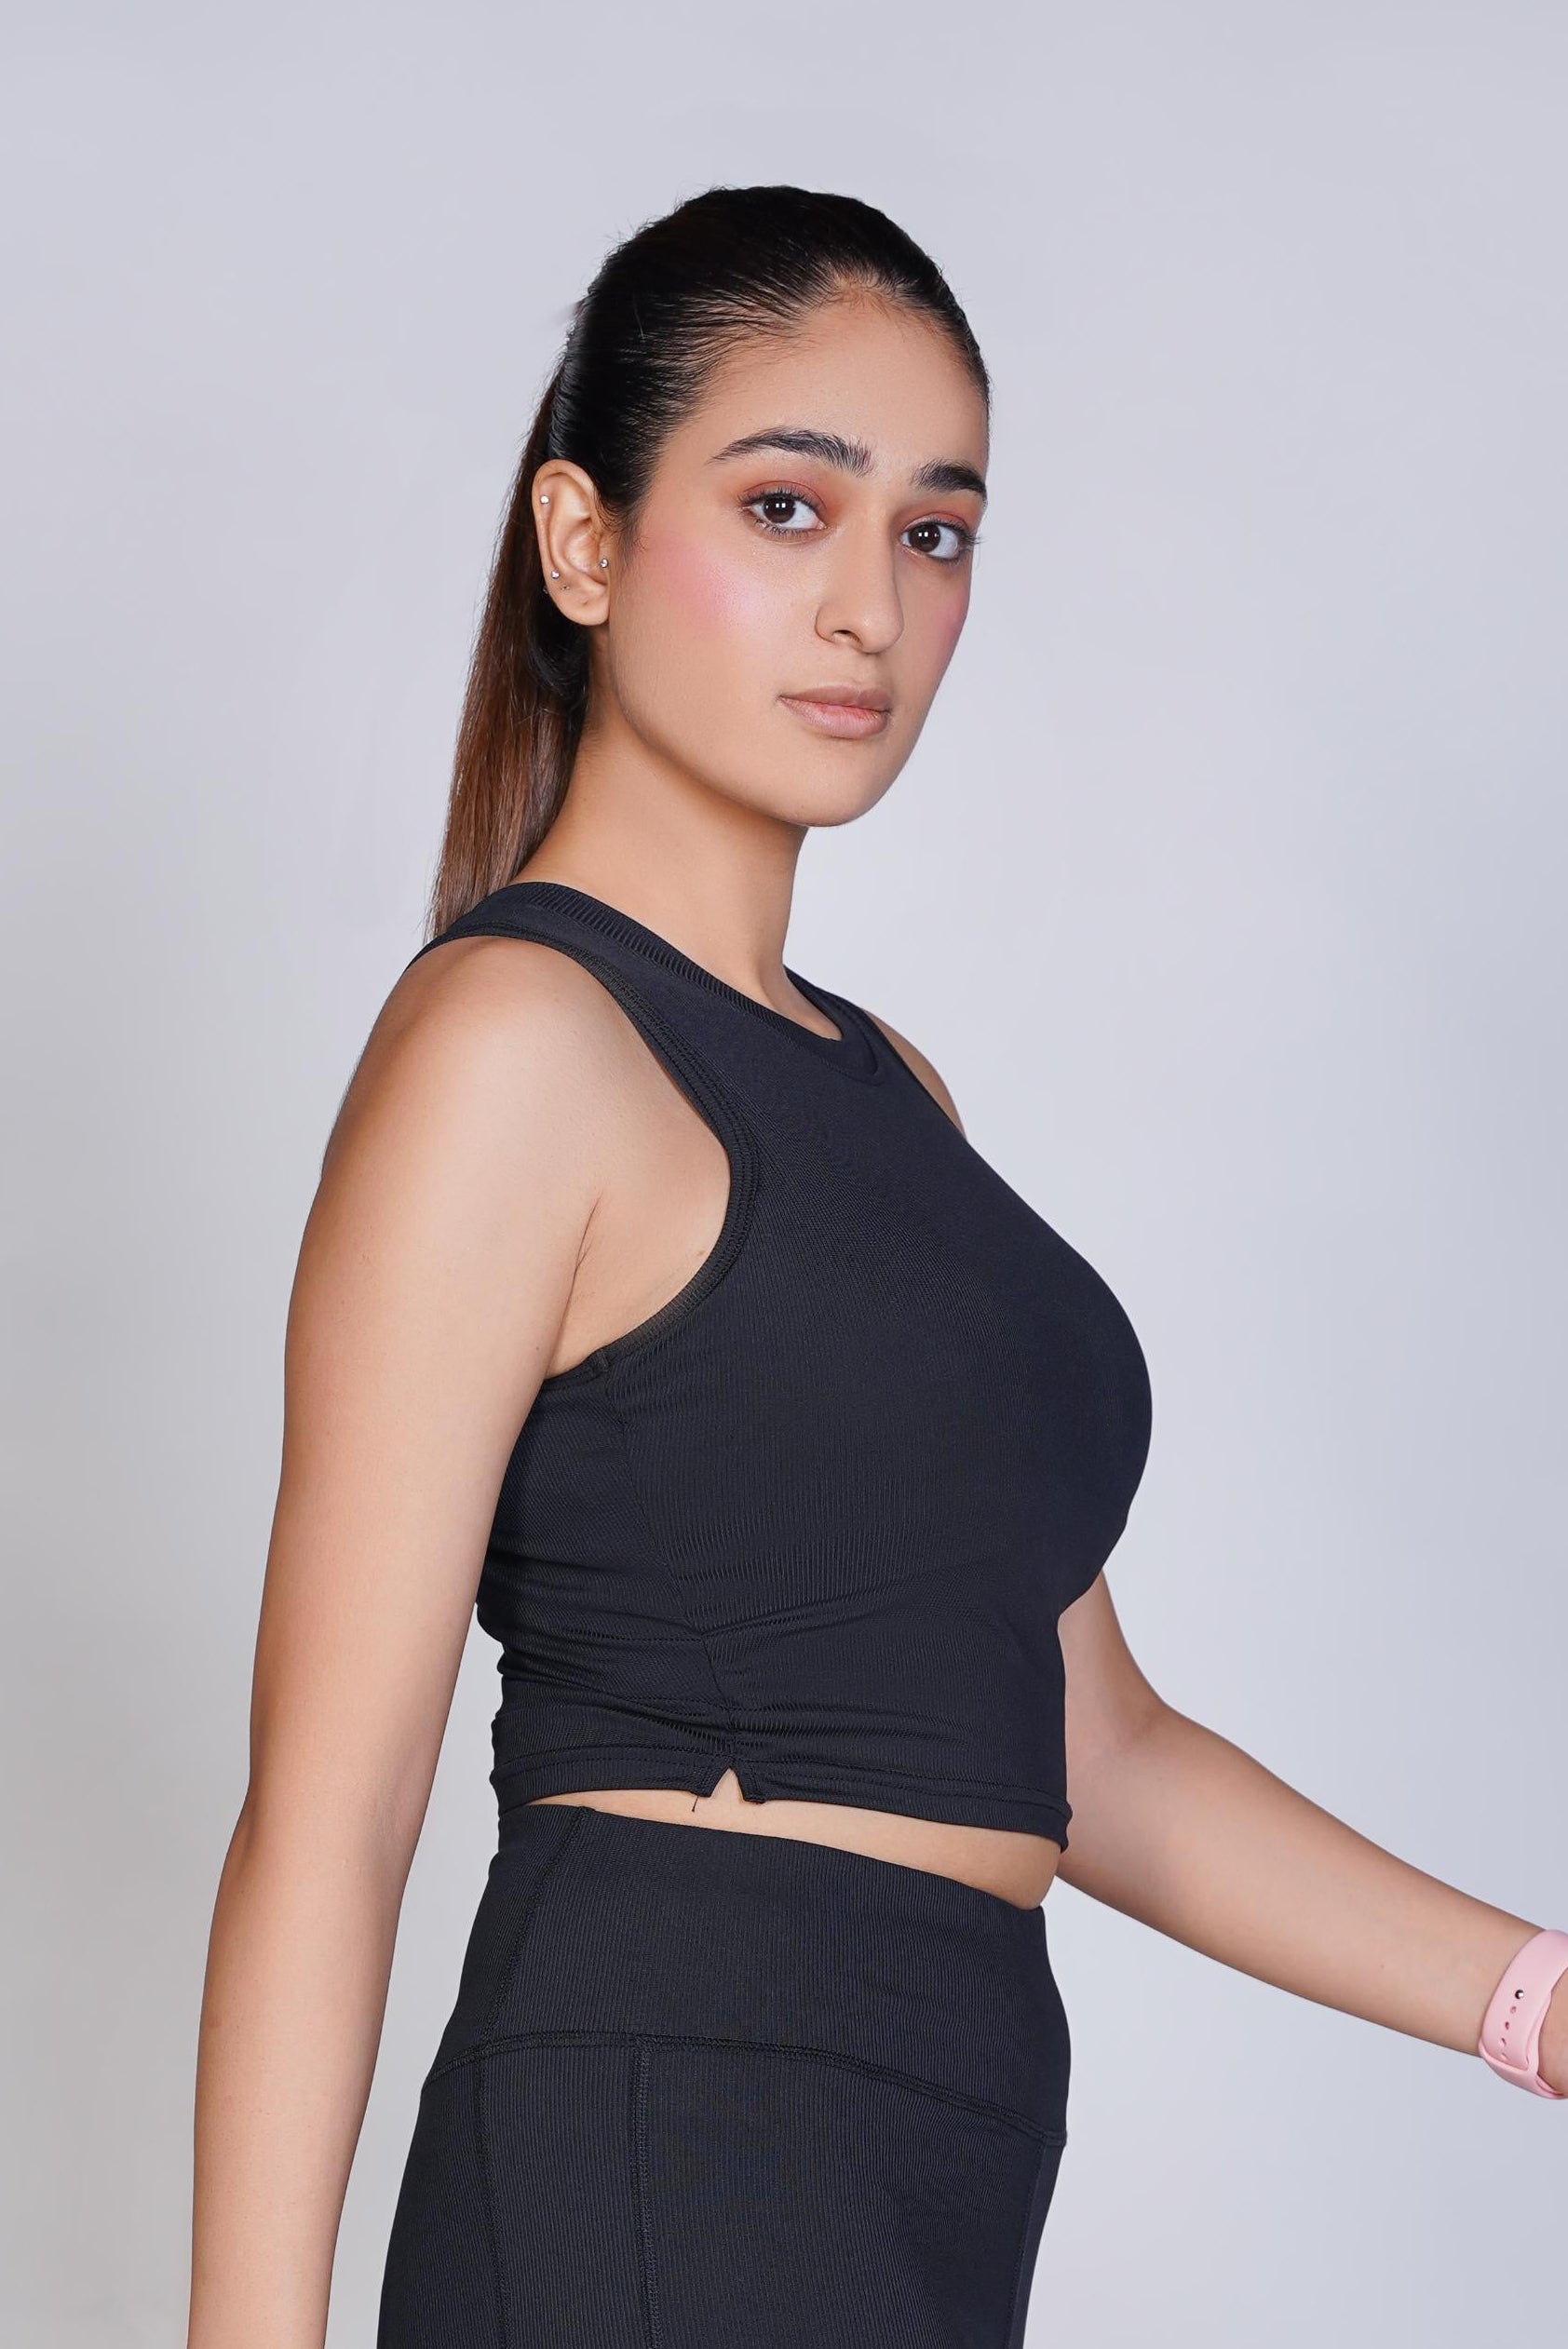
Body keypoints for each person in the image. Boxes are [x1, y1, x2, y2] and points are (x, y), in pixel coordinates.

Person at [186, 185, 1567, 2349]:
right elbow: (327, 1813)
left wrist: (1530, 1997)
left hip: (922, 2165)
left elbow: (1091, 1744)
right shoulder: (517, 1047)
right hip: (662, 2145)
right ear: (580, 541)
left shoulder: (889, 1093)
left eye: (933, 532)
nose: (868, 608)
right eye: (784, 506)